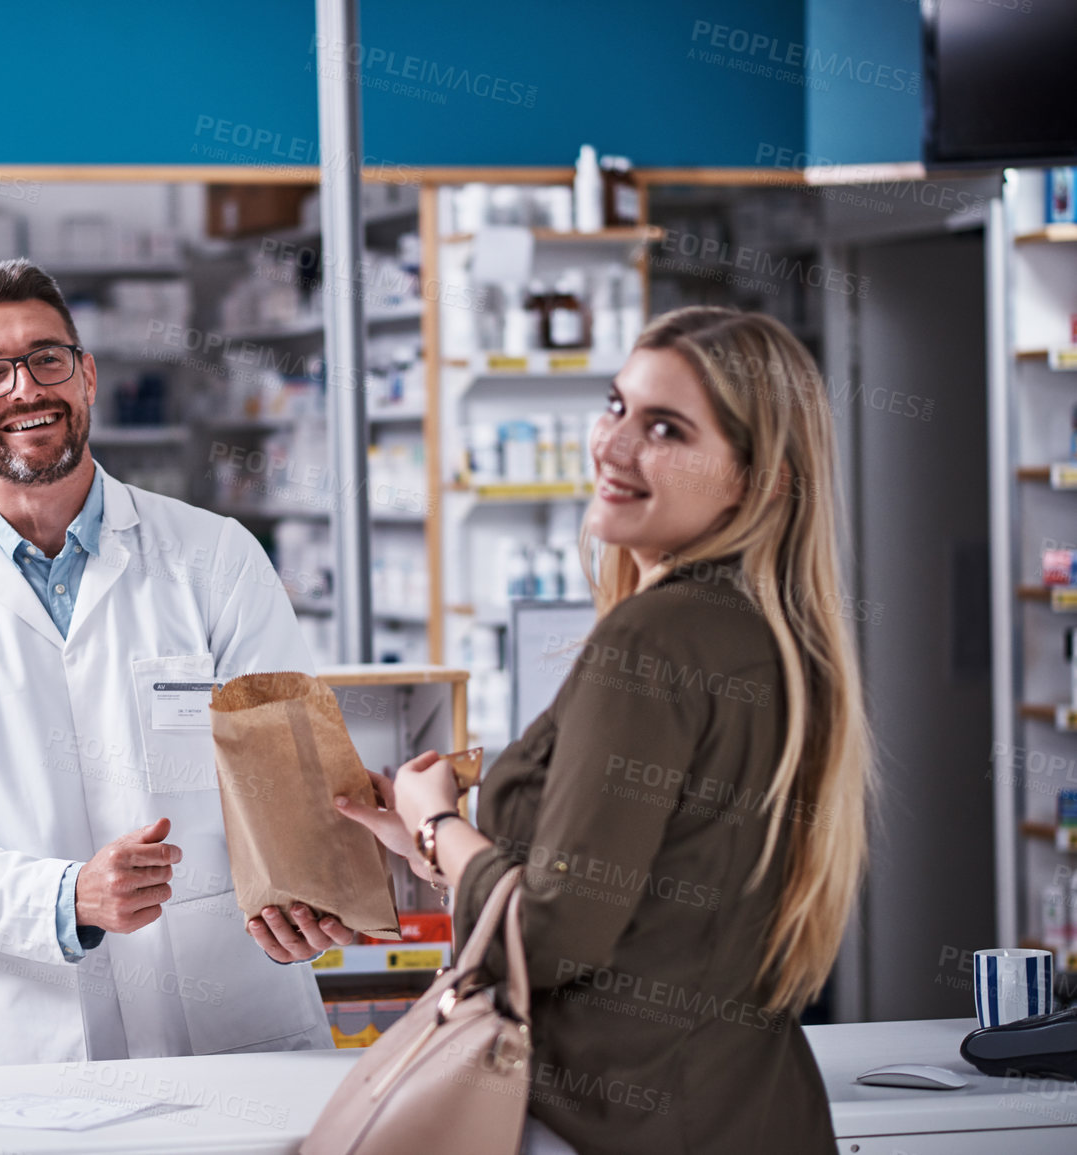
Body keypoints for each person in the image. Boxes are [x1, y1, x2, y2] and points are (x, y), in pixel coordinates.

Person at [339, 307, 870, 1154]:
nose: (613, 447)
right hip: (752, 1109)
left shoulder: (650, 641)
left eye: (664, 428)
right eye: (616, 406)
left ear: (757, 478)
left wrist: (440, 825)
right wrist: (416, 836)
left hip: (617, 1119)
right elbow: (644, 899)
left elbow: (550, 937)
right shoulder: (773, 636)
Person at [0, 259, 350, 1066]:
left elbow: (290, 776)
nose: (25, 388)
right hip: (46, 1042)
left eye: (46, 358)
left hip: (236, 1023)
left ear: (86, 376)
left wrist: (310, 886)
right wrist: (65, 897)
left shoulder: (215, 556)